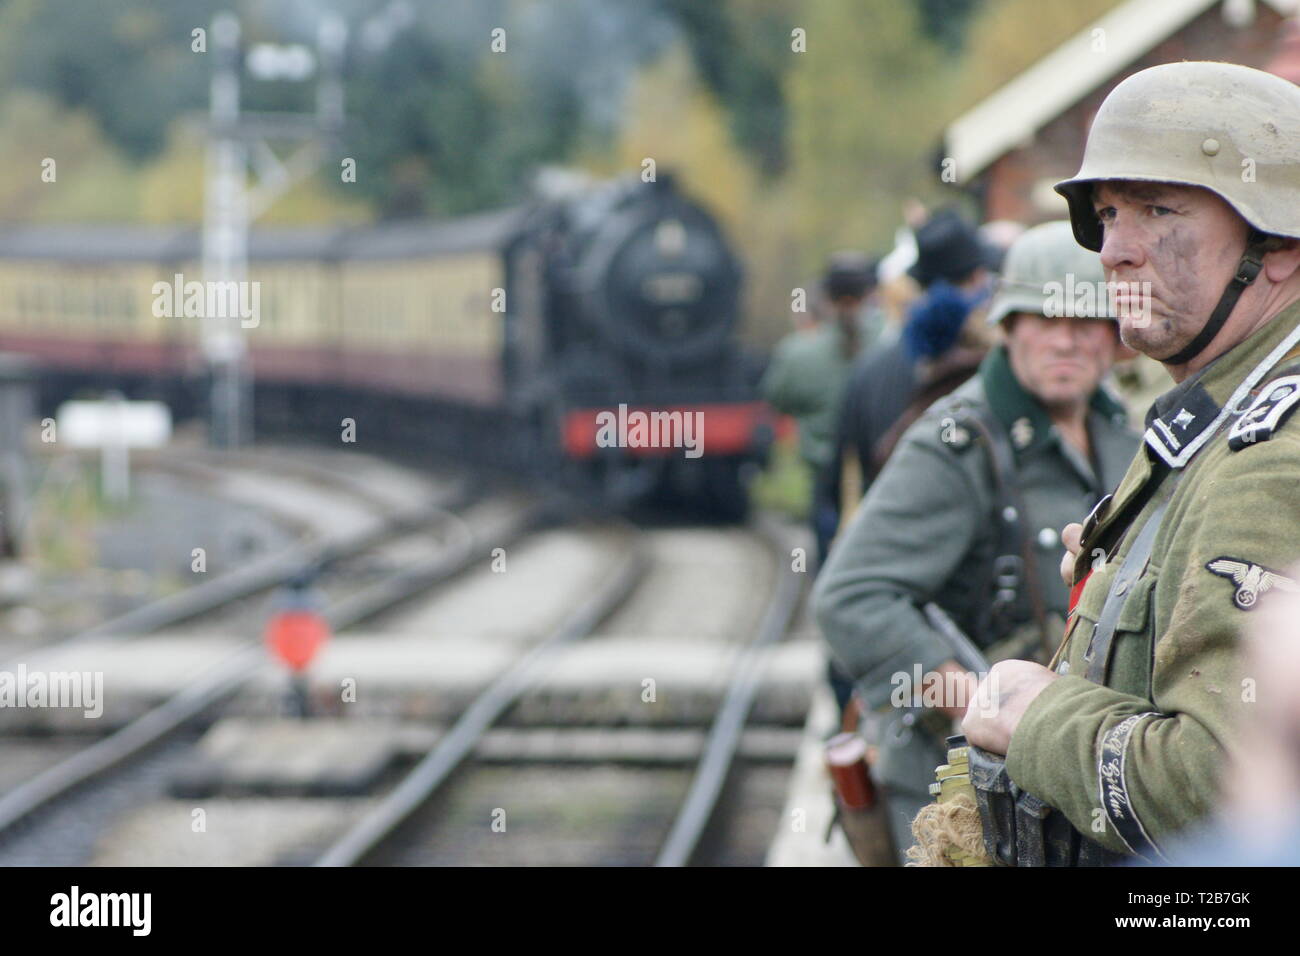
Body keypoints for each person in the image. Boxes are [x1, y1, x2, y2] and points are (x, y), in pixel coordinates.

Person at [960, 61, 1300, 866]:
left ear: (1277, 249)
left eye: (1158, 209)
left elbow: (1221, 794)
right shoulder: (1218, 414)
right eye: (1108, 214)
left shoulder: (1271, 456)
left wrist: (1029, 713)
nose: (1113, 250)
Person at [814, 220, 1139, 862]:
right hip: (958, 794)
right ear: (1009, 327)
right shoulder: (957, 444)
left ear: (1115, 335)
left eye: (1087, 323)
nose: (1067, 342)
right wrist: (976, 700)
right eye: (1045, 320)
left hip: (1067, 783)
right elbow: (850, 596)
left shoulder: (1123, 438)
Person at [762, 252, 881, 568]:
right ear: (870, 294)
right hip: (882, 471)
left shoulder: (799, 353)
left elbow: (776, 398)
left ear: (825, 298)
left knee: (827, 557)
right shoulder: (889, 344)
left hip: (825, 470)